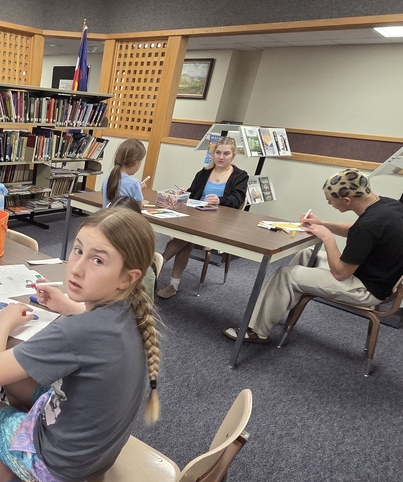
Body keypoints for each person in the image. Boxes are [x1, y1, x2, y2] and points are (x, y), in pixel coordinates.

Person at [0, 207, 160, 482]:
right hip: (99, 451)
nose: (77, 267)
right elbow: (92, 329)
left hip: (62, 466)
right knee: (15, 383)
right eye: (78, 250)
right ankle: (21, 439)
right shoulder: (131, 311)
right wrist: (66, 304)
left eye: (98, 260)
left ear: (126, 278)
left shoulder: (76, 334)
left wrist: (5, 321)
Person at [223, 168, 403, 344]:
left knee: (286, 275)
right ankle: (276, 308)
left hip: (366, 288)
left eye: (330, 200)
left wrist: (328, 238)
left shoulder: (368, 225)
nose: (329, 204)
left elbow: (341, 273)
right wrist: (322, 224)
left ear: (347, 200)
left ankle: (257, 331)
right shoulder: (386, 205)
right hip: (374, 274)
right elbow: (356, 230)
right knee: (307, 253)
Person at [156, 135, 248, 299]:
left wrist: (220, 200)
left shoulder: (240, 176)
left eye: (226, 153)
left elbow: (237, 200)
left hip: (220, 223)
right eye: (218, 153)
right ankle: (172, 284)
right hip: (196, 218)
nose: (221, 157)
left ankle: (157, 265)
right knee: (188, 238)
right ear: (213, 154)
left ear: (233, 155)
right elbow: (193, 193)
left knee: (186, 236)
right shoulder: (204, 173)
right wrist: (183, 194)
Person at [102, 139, 149, 207]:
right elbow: (138, 208)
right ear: (136, 162)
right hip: (124, 214)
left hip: (107, 213)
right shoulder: (134, 183)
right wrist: (139, 191)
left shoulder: (109, 177)